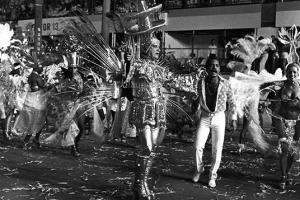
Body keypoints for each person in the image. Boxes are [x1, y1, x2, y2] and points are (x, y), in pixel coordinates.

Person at [192, 57, 237, 188]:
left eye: (217, 65)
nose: (214, 68)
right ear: (206, 68)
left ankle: (212, 175)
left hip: (219, 117)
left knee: (217, 149)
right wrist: (194, 110)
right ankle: (199, 170)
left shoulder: (225, 83)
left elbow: (232, 102)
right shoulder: (200, 83)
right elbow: (195, 98)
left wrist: (233, 119)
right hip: (205, 117)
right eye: (211, 65)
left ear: (219, 68)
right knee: (197, 146)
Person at [271, 63, 300, 190]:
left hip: (297, 121)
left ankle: (287, 173)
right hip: (281, 120)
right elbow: (273, 104)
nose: (292, 74)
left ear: (298, 73)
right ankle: (283, 177)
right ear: (286, 73)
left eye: (294, 72)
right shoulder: (280, 86)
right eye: (289, 72)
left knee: (293, 153)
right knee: (285, 149)